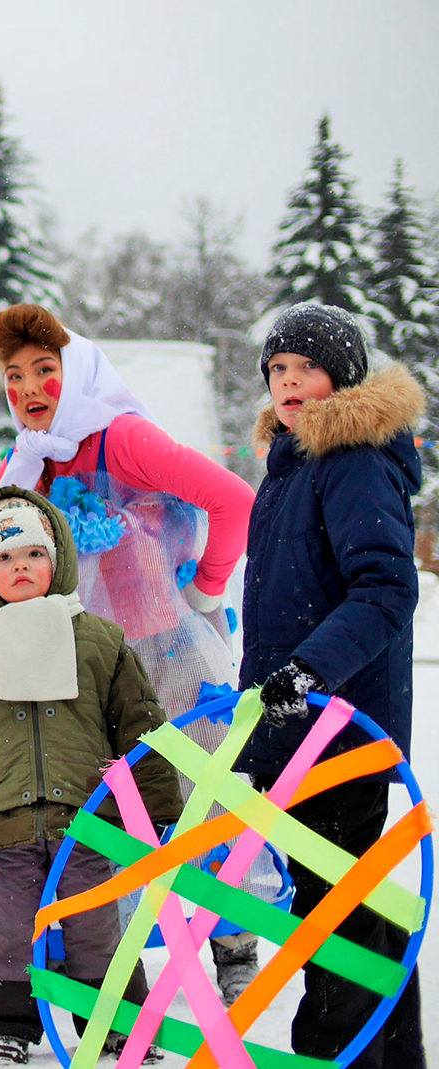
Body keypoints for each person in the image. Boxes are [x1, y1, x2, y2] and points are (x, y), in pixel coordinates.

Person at [0, 303, 260, 1001]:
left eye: (43, 369)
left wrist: (205, 587)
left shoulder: (123, 437)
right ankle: (103, 958)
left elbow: (233, 500)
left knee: (204, 796)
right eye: (13, 375)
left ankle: (234, 942)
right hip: (83, 667)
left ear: (76, 370)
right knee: (103, 811)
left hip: (167, 652)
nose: (28, 387)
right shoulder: (31, 459)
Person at [0, 489, 180, 1065]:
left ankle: (114, 1024)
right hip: (5, 823)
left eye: (33, 554)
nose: (20, 567)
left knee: (96, 929)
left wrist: (157, 805)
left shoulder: (100, 642)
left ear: (59, 560)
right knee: (6, 934)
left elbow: (141, 729)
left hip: (87, 820)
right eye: (4, 558)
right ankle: (8, 1026)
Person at [239, 302, 426, 1067]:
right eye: (278, 368)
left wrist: (310, 669)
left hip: (340, 724)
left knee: (332, 904)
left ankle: (333, 1051)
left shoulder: (351, 458)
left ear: (342, 377)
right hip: (298, 720)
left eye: (306, 367)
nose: (288, 381)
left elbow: (385, 587)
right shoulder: (293, 466)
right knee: (348, 894)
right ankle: (393, 1051)